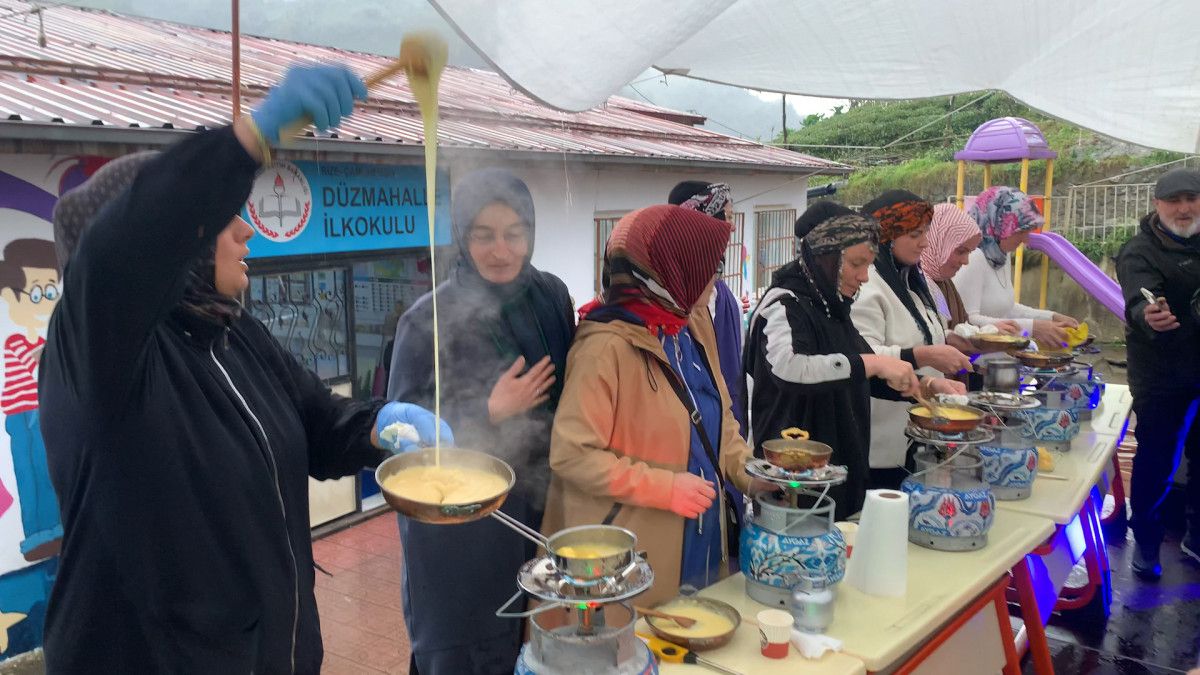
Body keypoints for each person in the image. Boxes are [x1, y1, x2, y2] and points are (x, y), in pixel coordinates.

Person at [38, 64, 451, 674]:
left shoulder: (232, 332)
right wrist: (248, 139)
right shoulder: (101, 354)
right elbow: (126, 247)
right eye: (228, 224)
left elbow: (320, 420)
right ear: (179, 245)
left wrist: (377, 425)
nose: (249, 234)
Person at [387, 168, 575, 674]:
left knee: (538, 649)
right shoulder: (425, 321)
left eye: (515, 234)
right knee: (469, 656)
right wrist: (487, 412)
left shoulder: (550, 299)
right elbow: (397, 437)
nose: (501, 250)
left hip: (540, 517)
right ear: (462, 236)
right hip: (458, 544)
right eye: (484, 235)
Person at [545, 204, 752, 605]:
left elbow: (720, 417)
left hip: (704, 538)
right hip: (639, 555)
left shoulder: (690, 324)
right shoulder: (604, 347)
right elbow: (571, 455)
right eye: (706, 267)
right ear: (671, 272)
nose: (714, 280)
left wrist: (751, 474)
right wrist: (664, 487)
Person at [744, 211, 921, 519]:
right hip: (794, 482)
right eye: (855, 264)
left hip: (840, 472)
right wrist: (872, 364)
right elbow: (790, 368)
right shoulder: (784, 304)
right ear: (825, 258)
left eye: (867, 264)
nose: (864, 276)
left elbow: (864, 370)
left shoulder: (833, 307)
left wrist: (923, 384)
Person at [851, 191, 969, 489]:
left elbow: (930, 332)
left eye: (926, 232)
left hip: (917, 436)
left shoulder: (913, 283)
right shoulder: (868, 287)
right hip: (881, 447)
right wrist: (925, 356)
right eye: (915, 234)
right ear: (887, 235)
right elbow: (865, 356)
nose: (925, 242)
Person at [1116, 168, 1200, 579]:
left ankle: (1196, 536)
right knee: (1156, 457)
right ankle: (1146, 540)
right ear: (1157, 205)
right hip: (1160, 373)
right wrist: (1148, 315)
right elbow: (1139, 295)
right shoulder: (1139, 250)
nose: (1184, 208)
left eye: (1192, 198)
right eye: (1174, 200)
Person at [668, 180, 748, 435]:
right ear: (701, 223)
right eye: (725, 217)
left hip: (727, 438)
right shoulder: (667, 302)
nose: (732, 227)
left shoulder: (728, 300)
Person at [953, 186, 1079, 346]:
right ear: (998, 225)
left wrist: (1050, 317)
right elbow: (967, 320)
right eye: (1020, 231)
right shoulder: (972, 258)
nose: (1026, 240)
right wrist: (1034, 328)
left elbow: (1006, 308)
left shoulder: (1000, 256)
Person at [920, 203, 985, 332]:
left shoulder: (945, 283)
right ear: (938, 242)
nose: (966, 261)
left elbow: (963, 329)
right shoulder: (914, 285)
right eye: (961, 251)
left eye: (969, 253)